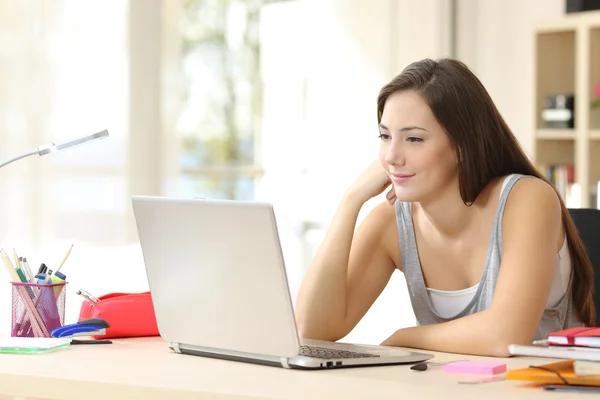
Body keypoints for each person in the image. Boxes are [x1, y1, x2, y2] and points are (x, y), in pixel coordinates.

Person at [294, 58, 596, 357]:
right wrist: (351, 201)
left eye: (413, 139)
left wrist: (405, 337)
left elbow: (505, 336)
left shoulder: (527, 198)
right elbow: (312, 328)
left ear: (462, 145)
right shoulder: (391, 222)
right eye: (385, 136)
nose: (391, 156)